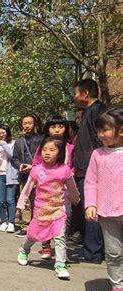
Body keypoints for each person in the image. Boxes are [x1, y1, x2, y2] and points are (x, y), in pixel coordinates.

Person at [17, 136, 80, 279]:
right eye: (44, 150)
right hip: (41, 210)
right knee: (33, 235)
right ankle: (24, 249)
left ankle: (60, 264)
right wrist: (21, 204)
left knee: (60, 237)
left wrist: (76, 200)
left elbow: (72, 187)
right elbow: (27, 188)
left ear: (59, 152)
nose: (47, 153)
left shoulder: (64, 170)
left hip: (58, 210)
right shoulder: (36, 170)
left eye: (52, 150)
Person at [84, 108, 123, 291]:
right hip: (107, 212)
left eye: (105, 130)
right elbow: (91, 182)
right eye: (98, 131)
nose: (101, 135)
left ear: (121, 130)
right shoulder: (97, 155)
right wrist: (90, 204)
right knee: (114, 251)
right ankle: (117, 285)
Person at [73, 79, 107, 263]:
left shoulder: (99, 112)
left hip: (91, 170)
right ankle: (92, 249)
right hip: (83, 169)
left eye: (76, 94)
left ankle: (93, 252)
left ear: (85, 93)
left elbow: (100, 142)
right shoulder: (89, 112)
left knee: (92, 210)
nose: (74, 98)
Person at [11, 114, 43, 237]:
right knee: (25, 201)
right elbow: (14, 158)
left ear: (34, 124)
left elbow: (45, 155)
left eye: (30, 123)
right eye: (25, 123)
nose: (27, 125)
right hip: (24, 176)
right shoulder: (18, 141)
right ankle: (26, 227)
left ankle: (38, 226)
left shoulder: (41, 139)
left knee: (37, 200)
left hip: (39, 175)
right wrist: (20, 166)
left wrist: (33, 166)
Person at [0, 125, 19, 233]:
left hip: (11, 175)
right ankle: (3, 221)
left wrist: (3, 144)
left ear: (8, 132)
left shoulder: (13, 143)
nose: (1, 135)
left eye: (3, 132)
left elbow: (13, 155)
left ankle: (11, 223)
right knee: (1, 200)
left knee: (10, 200)